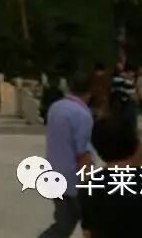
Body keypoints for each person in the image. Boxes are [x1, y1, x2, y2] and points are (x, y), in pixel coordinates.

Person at [39, 71, 93, 238]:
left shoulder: (56, 107)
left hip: (55, 173)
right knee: (89, 224)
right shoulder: (82, 115)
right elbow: (82, 152)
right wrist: (88, 183)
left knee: (64, 223)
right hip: (73, 179)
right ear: (89, 92)